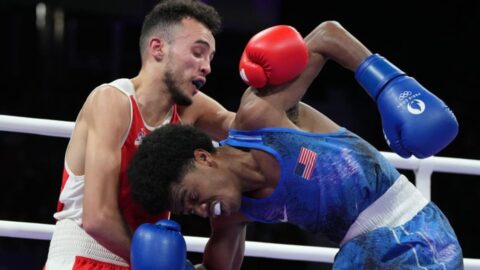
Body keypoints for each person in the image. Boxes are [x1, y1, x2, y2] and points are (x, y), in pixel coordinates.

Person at [128, 22, 463, 269]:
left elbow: (327, 36)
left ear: (203, 158)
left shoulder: (260, 117)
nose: (203, 212)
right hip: (360, 255)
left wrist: (388, 86)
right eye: (192, 212)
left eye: (195, 198)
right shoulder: (233, 216)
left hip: (416, 234)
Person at [44, 0, 235, 269]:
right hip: (87, 257)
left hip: (143, 261)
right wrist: (161, 264)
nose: (206, 67)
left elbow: (249, 128)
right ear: (158, 48)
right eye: (198, 52)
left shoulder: (191, 108)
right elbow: (97, 217)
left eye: (210, 58)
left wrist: (283, 85)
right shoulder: (112, 101)